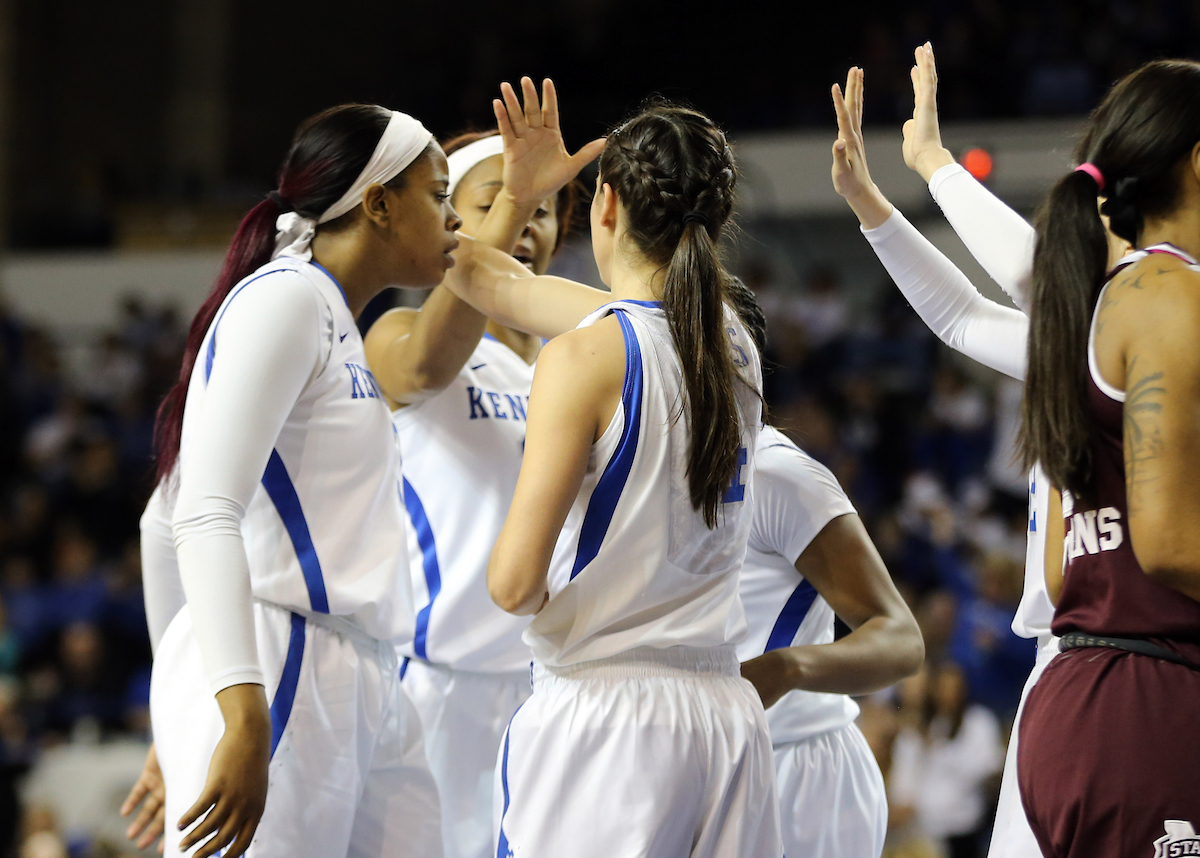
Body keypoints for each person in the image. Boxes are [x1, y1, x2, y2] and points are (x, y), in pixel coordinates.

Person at [441, 81, 782, 857]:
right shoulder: (734, 343)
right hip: (724, 716)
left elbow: (513, 586)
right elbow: (506, 288)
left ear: (604, 209)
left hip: (607, 720)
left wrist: (506, 198)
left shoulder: (586, 356)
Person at [828, 47, 1121, 858]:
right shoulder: (1079, 345)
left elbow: (1029, 277)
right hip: (1060, 662)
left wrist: (935, 165)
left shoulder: (1137, 324)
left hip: (1125, 658)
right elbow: (958, 317)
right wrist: (870, 205)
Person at [147, 103, 457, 858]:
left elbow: (160, 516)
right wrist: (235, 706)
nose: (453, 219)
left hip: (361, 669)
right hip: (281, 660)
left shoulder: (332, 320)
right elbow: (198, 512)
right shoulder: (285, 297)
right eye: (438, 194)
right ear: (379, 202)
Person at [363, 87, 600, 858]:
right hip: (436, 688)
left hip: (557, 691)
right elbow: (430, 362)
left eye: (538, 210)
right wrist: (517, 197)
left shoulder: (585, 361)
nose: (526, 221)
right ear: (450, 220)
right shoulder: (397, 334)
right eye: (496, 202)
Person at [1016, 59, 1200, 857]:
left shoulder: (1094, 300)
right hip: (1146, 713)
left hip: (1092, 701)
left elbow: (1064, 567)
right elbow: (1163, 543)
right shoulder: (1167, 296)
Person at [727, 277, 924, 858]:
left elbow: (901, 639)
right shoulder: (647, 471)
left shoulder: (777, 474)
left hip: (796, 767)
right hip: (701, 756)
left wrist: (788, 668)